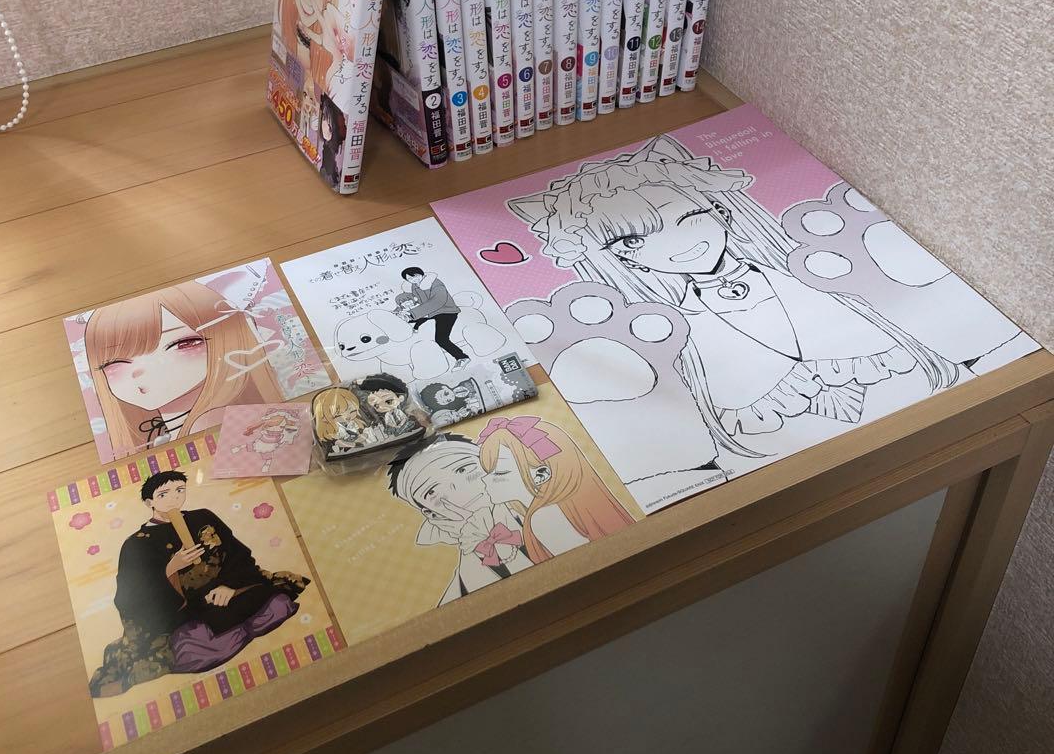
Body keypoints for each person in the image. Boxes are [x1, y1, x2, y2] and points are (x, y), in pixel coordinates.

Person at [508, 134, 961, 450]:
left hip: (906, 400)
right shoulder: (684, 329)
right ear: (624, 260)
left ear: (720, 210)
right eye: (632, 241)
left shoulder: (806, 280)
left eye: (684, 218)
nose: (673, 244)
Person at [88, 471, 309, 697]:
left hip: (226, 594)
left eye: (179, 491)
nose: (174, 498)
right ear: (149, 502)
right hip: (185, 611)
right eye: (164, 494)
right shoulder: (136, 544)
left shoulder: (202, 517)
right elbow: (132, 596)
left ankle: (234, 629)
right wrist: (170, 569)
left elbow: (236, 554)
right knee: (197, 647)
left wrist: (229, 587)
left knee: (279, 604)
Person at [84, 280, 284, 459]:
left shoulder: (210, 424)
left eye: (183, 344)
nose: (140, 370)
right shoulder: (168, 435)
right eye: (115, 362)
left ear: (224, 341)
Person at [387, 434, 532, 604]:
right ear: (430, 514)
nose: (455, 487)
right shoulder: (458, 594)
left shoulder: (544, 514)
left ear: (487, 464)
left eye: (462, 469)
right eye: (431, 491)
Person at [478, 416, 635, 563]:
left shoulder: (542, 518)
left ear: (541, 474)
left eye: (500, 473)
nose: (485, 480)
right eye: (488, 472)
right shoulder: (547, 512)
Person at [399, 267, 469, 365]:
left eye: (414, 276)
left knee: (441, 339)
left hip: (446, 311)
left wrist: (413, 313)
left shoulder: (435, 283)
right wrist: (409, 312)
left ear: (421, 274)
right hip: (432, 312)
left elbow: (438, 301)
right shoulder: (415, 286)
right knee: (408, 319)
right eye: (409, 279)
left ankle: (462, 358)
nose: (413, 280)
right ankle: (412, 324)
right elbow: (422, 302)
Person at [356, 373, 421, 436]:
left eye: (389, 401)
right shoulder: (381, 419)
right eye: (376, 405)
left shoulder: (408, 413)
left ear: (400, 398)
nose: (383, 407)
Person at [417, 380, 484, 426]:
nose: (450, 397)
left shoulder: (462, 384)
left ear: (444, 387)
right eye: (448, 400)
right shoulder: (458, 407)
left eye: (446, 393)